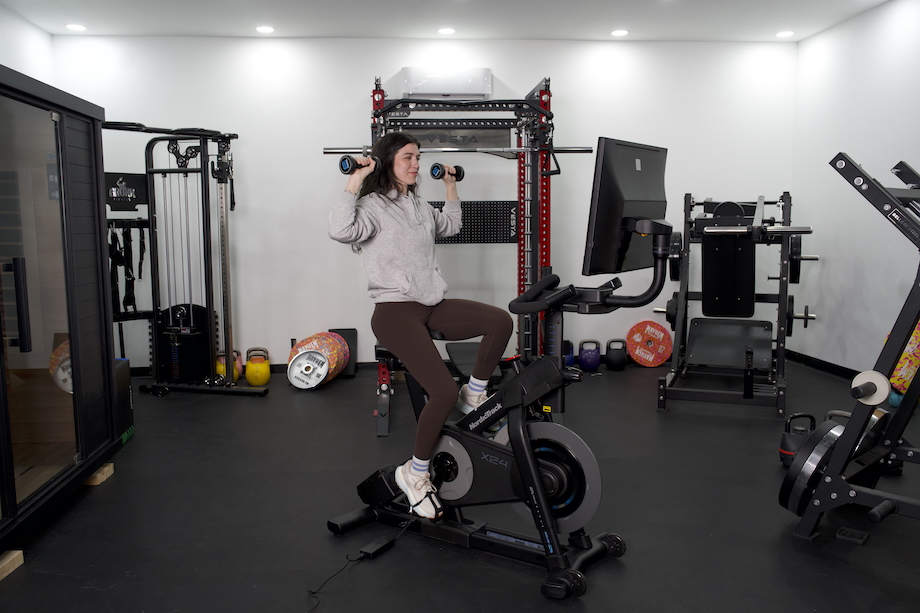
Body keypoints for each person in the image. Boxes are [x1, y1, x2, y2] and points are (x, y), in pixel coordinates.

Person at [328, 133, 513, 519]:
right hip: (395, 312)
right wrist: (356, 178)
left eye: (418, 157)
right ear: (387, 162)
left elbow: (452, 226)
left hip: (431, 305)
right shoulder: (373, 206)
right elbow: (340, 230)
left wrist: (450, 186)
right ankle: (414, 473)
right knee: (441, 392)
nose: (416, 164)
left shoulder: (419, 205)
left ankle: (474, 393)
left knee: (499, 321)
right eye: (408, 157)